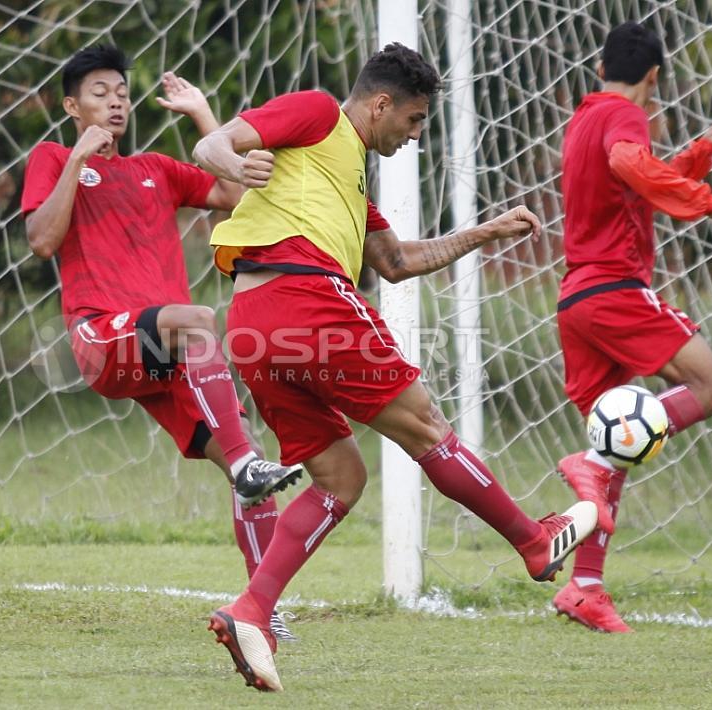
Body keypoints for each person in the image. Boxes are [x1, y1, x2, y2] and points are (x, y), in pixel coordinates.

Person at [192, 42, 599, 692]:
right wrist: (234, 160)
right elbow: (215, 148)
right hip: (306, 300)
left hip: (252, 325)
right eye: (413, 121)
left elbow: (396, 261)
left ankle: (252, 610)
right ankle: (532, 541)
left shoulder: (344, 178)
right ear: (381, 104)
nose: (415, 136)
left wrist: (484, 234)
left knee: (340, 476)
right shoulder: (318, 113)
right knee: (426, 426)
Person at [20, 46, 302, 638]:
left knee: (240, 458)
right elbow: (42, 240)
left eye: (121, 91)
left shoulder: (157, 169)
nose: (115, 100)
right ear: (72, 105)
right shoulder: (51, 157)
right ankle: (250, 465)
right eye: (99, 91)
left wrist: (204, 115)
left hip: (163, 352)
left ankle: (262, 612)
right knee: (196, 317)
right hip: (101, 335)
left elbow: (234, 197)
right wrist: (75, 162)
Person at [551, 22, 712, 633]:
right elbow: (629, 162)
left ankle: (585, 588)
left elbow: (629, 184)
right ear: (655, 76)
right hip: (615, 290)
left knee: (612, 456)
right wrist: (705, 200)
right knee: (711, 386)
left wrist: (697, 155)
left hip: (578, 298)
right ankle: (596, 460)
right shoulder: (625, 117)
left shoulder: (586, 115)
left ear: (601, 65)